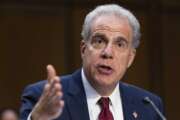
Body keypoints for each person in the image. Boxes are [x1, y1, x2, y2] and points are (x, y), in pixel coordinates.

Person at [20, 4, 165, 120]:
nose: (108, 53)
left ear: (130, 58)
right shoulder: (42, 98)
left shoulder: (149, 106)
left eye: (120, 44)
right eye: (100, 41)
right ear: (83, 50)